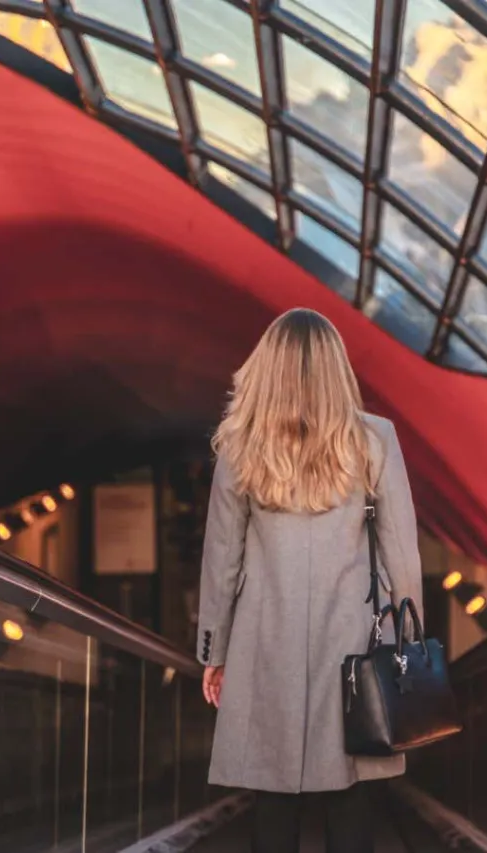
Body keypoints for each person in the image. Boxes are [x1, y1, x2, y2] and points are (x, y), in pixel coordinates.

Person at [197, 308, 423, 853]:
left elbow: (222, 558)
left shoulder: (240, 447)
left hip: (264, 645)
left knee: (271, 798)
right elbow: (400, 554)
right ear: (336, 369)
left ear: (266, 368)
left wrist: (214, 650)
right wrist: (410, 653)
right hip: (354, 648)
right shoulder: (374, 440)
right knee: (352, 793)